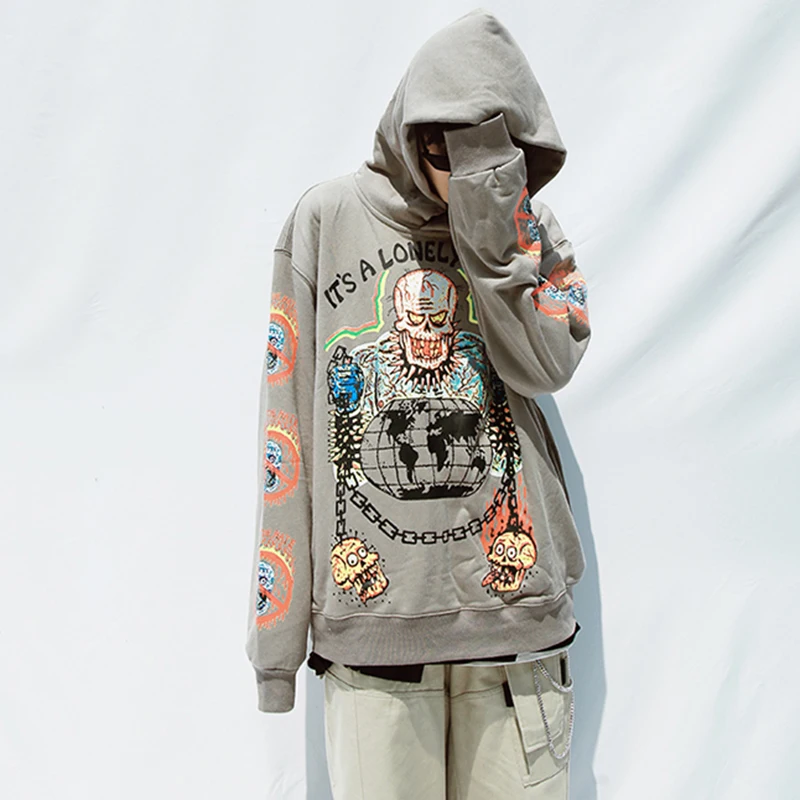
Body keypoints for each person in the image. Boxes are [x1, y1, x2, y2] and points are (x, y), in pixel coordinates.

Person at [245, 9, 590, 798]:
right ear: (411, 130)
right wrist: (275, 647)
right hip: (374, 637)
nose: (455, 171)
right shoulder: (326, 219)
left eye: (486, 153)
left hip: (518, 628)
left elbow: (549, 365)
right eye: (442, 148)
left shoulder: (529, 231)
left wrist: (493, 232)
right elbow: (286, 426)